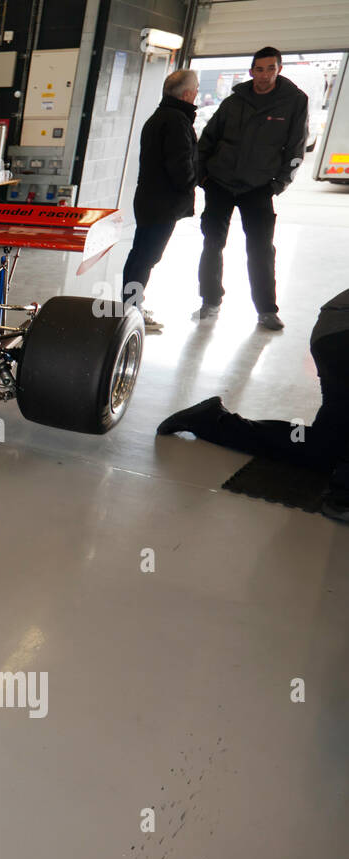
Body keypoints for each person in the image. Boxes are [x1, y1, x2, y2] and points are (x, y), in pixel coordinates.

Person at [157, 288, 349, 523]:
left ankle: (211, 419)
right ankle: (342, 498)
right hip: (341, 334)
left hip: (335, 331)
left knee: (325, 450)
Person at [196, 46, 308, 331]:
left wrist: (279, 183)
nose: (265, 75)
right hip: (220, 183)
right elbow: (208, 139)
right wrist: (202, 176)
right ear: (251, 71)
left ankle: (266, 310)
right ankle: (210, 300)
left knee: (260, 250)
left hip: (258, 187)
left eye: (271, 69)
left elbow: (296, 148)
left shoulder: (294, 101)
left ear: (279, 69)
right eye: (259, 69)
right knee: (212, 244)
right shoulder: (235, 101)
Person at [121, 69, 199, 333]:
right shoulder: (177, 121)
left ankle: (130, 307)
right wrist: (195, 181)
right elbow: (180, 166)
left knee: (140, 255)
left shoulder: (159, 117)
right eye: (196, 89)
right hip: (162, 203)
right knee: (146, 257)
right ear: (188, 94)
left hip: (148, 199)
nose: (197, 94)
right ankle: (131, 311)